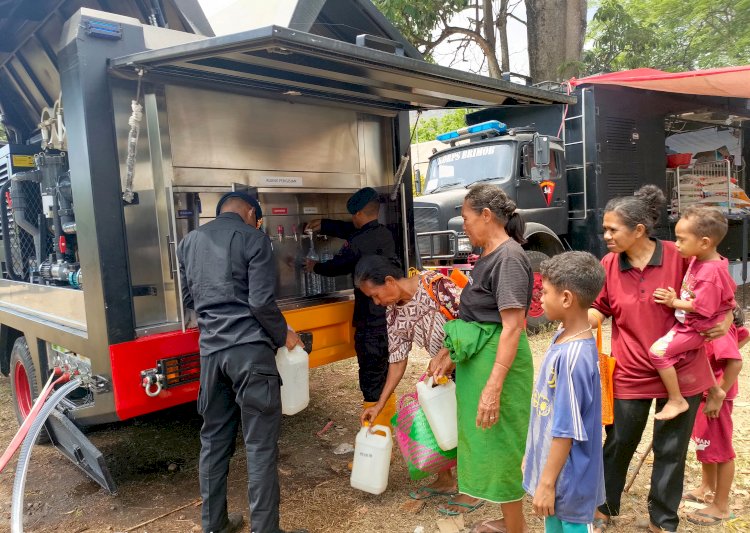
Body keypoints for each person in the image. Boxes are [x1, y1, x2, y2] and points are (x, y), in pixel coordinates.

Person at [588, 185, 731, 533]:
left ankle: (662, 520)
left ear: (639, 230)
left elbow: (718, 285)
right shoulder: (609, 264)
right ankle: (604, 508)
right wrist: (581, 327)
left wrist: (725, 321)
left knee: (671, 450)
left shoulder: (680, 254)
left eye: (612, 229)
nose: (605, 236)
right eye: (604, 229)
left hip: (683, 373)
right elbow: (600, 307)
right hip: (631, 371)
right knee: (619, 441)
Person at [178, 191, 307, 533]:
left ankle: (214, 525)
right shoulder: (254, 239)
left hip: (211, 356)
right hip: (250, 353)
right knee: (260, 445)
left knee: (214, 441)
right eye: (258, 218)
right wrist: (285, 335)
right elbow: (262, 302)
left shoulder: (188, 243)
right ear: (250, 212)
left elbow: (189, 298)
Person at [429, 184, 533, 533]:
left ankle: (516, 526)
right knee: (486, 439)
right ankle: (507, 518)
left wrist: (493, 385)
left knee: (500, 441)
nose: (464, 226)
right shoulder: (488, 256)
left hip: (498, 365)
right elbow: (475, 316)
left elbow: (512, 326)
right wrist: (450, 352)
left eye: (466, 218)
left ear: (486, 216)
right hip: (481, 361)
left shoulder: (509, 259)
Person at [355, 254, 460, 499]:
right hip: (443, 369)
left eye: (375, 294)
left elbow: (471, 316)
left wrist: (446, 351)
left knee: (465, 422)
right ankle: (446, 479)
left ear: (390, 281)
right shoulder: (393, 313)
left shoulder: (434, 284)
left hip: (468, 360)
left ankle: (475, 485)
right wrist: (380, 405)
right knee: (435, 417)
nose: (377, 302)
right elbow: (397, 360)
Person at [523, 251, 606, 533]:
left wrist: (546, 482)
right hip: (556, 473)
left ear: (567, 298)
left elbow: (566, 430)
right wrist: (533, 455)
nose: (540, 298)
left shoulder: (572, 358)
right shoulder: (562, 335)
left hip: (568, 480)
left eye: (545, 292)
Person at [305, 187, 398, 426]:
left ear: (357, 214)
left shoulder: (358, 242)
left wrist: (314, 266)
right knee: (385, 375)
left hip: (370, 323)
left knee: (371, 379)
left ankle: (377, 438)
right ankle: (386, 431)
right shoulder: (384, 234)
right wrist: (325, 224)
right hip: (388, 320)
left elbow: (337, 265)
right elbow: (354, 232)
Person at [650, 206, 737, 420]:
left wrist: (674, 302)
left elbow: (702, 307)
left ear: (704, 242)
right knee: (696, 356)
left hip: (696, 326)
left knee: (658, 353)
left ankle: (676, 399)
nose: (677, 245)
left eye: (681, 239)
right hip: (694, 324)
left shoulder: (709, 273)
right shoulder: (705, 259)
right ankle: (716, 390)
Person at [684, 306, 748, 527]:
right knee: (705, 443)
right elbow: (744, 336)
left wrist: (718, 394)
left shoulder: (717, 325)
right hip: (704, 393)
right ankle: (706, 487)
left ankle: (721, 506)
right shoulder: (710, 322)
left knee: (720, 448)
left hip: (714, 399)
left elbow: (735, 361)